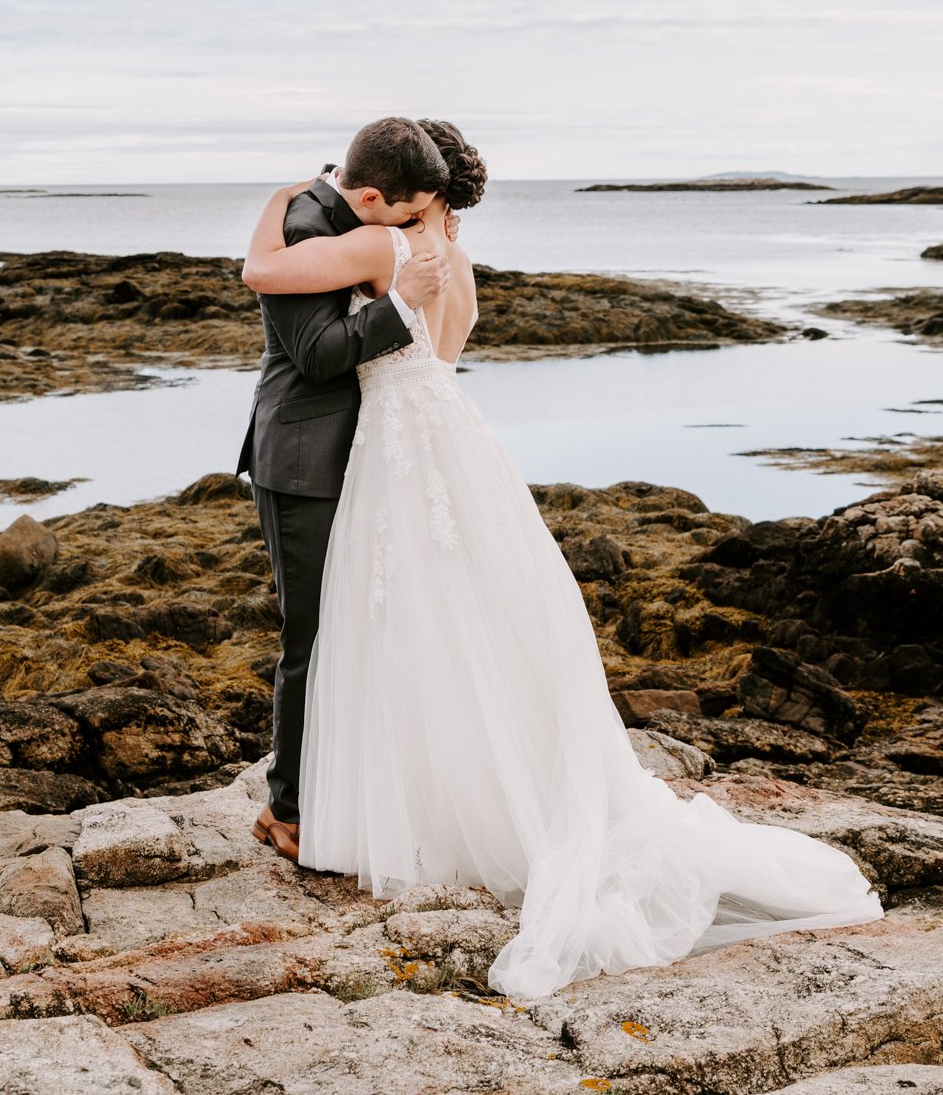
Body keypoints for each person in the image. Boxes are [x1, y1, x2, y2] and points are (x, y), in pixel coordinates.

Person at [239, 118, 884, 999]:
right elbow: (445, 353)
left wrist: (282, 209)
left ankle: (321, 808)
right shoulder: (450, 260)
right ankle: (412, 793)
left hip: (389, 451)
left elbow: (268, 277)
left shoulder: (382, 246)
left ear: (410, 196)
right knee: (451, 622)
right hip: (443, 441)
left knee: (369, 627)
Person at [236, 116, 453, 863]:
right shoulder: (304, 224)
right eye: (405, 212)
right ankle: (287, 810)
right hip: (302, 461)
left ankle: (334, 790)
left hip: (354, 456)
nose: (410, 226)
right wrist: (400, 304)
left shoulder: (348, 218)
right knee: (312, 637)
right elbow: (319, 355)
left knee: (352, 631)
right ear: (368, 197)